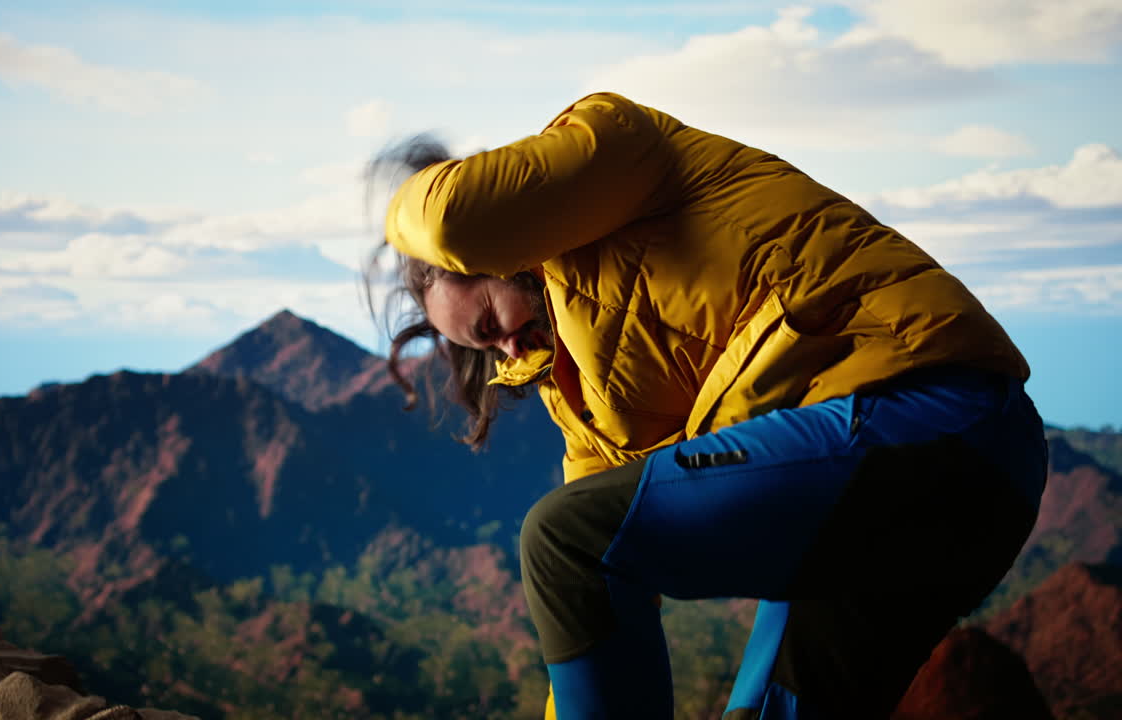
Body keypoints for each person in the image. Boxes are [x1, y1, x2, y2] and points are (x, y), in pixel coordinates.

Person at [365, 92, 1046, 720]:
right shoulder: (586, 401)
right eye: (488, 351)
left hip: (937, 416)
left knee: (560, 537)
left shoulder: (616, 147)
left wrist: (397, 216)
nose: (508, 350)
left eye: (489, 323)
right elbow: (585, 613)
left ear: (496, 250)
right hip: (895, 529)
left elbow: (449, 216)